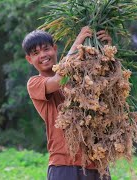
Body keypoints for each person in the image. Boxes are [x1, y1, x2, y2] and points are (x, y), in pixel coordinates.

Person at [22, 26, 112, 180]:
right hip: (64, 165)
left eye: (46, 49)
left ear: (55, 49)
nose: (43, 55)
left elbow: (106, 83)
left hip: (97, 162)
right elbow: (59, 79)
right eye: (36, 53)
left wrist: (105, 49)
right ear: (29, 59)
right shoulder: (35, 83)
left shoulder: (81, 76)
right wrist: (80, 40)